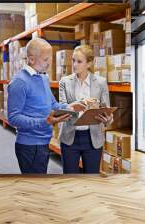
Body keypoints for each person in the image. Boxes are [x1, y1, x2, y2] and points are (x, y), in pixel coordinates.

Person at [7, 38, 86, 174]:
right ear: (31, 59)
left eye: (50, 59)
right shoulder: (19, 82)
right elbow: (13, 118)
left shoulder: (43, 78)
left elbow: (53, 104)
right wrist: (44, 122)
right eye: (45, 60)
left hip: (43, 141)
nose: (49, 63)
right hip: (29, 145)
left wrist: (72, 107)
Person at [58, 45, 113, 174]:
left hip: (93, 139)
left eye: (79, 61)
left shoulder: (100, 82)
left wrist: (108, 119)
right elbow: (62, 109)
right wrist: (81, 103)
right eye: (73, 60)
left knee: (91, 179)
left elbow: (106, 110)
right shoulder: (64, 82)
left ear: (89, 63)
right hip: (69, 137)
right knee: (70, 179)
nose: (74, 65)